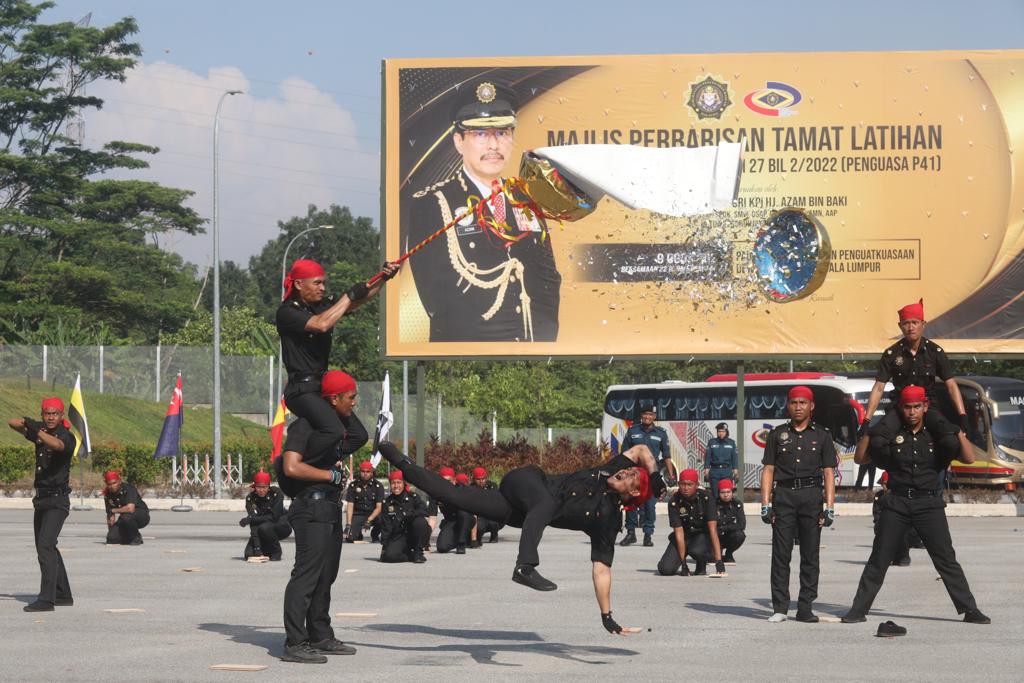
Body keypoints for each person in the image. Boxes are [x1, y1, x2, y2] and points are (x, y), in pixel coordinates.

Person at [378, 440, 666, 634]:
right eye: (629, 468)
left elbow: (602, 568)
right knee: (548, 504)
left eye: (633, 476)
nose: (626, 470)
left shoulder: (609, 521)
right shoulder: (613, 468)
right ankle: (524, 566)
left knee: (456, 495)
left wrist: (607, 618)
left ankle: (402, 463)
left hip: (519, 510)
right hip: (528, 481)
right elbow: (641, 449)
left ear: (635, 492)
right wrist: (654, 475)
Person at [407, 79, 561, 342]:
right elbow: (436, 295)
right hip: (468, 356)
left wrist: (539, 347)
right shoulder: (434, 202)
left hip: (529, 352)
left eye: (502, 133)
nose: (493, 146)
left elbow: (548, 282)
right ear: (458, 141)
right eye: (480, 134)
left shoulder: (526, 200)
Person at [842, 386, 990, 625]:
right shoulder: (891, 433)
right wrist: (869, 432)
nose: (912, 412)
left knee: (945, 559)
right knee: (879, 557)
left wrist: (958, 432)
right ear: (901, 408)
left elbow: (969, 457)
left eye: (916, 407)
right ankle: (858, 610)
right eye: (908, 407)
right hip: (897, 502)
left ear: (925, 407)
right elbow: (861, 458)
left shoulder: (936, 434)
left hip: (928, 503)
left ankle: (969, 609)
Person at [276, 257, 398, 483]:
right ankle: (295, 465)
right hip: (301, 390)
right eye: (317, 283)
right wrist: (347, 296)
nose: (322, 288)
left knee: (358, 435)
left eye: (324, 283)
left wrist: (384, 278)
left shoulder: (320, 305)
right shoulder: (287, 312)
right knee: (333, 430)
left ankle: (318, 463)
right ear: (299, 285)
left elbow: (356, 302)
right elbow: (322, 324)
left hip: (319, 387)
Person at [277, 370, 366, 664]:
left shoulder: (332, 429)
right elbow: (291, 467)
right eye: (350, 397)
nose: (355, 402)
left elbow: (360, 436)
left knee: (326, 575)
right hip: (310, 507)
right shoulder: (304, 426)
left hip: (328, 507)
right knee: (306, 575)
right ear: (334, 399)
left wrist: (334, 408)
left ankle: (320, 634)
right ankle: (295, 641)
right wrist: (329, 474)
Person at [760, 385, 837, 624]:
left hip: (811, 497)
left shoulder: (822, 435)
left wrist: (830, 506)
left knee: (810, 554)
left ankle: (805, 607)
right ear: (788, 405)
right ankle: (780, 607)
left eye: (803, 403)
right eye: (794, 403)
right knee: (781, 555)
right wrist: (765, 504)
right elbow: (769, 470)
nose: (798, 407)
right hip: (784, 497)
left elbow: (828, 473)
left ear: (811, 406)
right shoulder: (777, 434)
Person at [857, 299, 968, 462]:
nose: (910, 327)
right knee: (878, 441)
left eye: (914, 323)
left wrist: (962, 415)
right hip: (901, 407)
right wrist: (867, 420)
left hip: (928, 406)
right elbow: (879, 387)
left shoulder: (935, 351)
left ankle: (937, 469)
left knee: (950, 441)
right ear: (900, 326)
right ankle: (894, 469)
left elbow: (951, 385)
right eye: (906, 323)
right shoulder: (891, 353)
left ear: (923, 324)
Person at [9, 398, 76, 612]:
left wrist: (37, 431)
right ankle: (63, 594)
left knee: (46, 546)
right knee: (45, 545)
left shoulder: (67, 436)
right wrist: (28, 424)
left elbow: (57, 445)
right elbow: (12, 424)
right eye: (46, 413)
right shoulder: (40, 431)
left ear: (61, 415)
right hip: (42, 499)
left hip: (57, 500)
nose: (50, 417)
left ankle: (47, 600)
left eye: (54, 413)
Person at [619, 406, 676, 548]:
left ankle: (648, 535)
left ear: (654, 416)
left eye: (650, 414)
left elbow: (667, 456)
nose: (647, 417)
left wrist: (671, 474)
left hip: (652, 474)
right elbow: (624, 453)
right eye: (645, 414)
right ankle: (630, 533)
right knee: (631, 503)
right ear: (641, 415)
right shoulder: (633, 431)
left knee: (650, 505)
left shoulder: (661, 433)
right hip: (634, 473)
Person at [656, 469, 726, 577]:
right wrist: (684, 564)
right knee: (666, 570)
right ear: (678, 484)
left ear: (696, 485)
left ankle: (701, 564)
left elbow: (713, 530)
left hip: (702, 537)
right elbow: (679, 533)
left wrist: (719, 561)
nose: (685, 488)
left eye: (689, 484)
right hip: (683, 537)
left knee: (696, 550)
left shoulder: (706, 498)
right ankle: (673, 561)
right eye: (682, 484)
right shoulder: (674, 502)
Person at [379, 471, 431, 563]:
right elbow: (385, 525)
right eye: (393, 483)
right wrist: (385, 546)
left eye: (399, 482)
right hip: (399, 536)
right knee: (389, 557)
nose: (396, 486)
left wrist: (409, 514)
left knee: (420, 521)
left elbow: (425, 511)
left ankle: (418, 552)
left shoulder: (413, 497)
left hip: (414, 534)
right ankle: (410, 555)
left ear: (404, 483)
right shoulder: (387, 502)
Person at [240, 470, 291, 561]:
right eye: (259, 487)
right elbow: (254, 524)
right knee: (249, 554)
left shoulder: (276, 494)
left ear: (269, 487)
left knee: (265, 528)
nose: (262, 490)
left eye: (265, 487)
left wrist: (251, 519)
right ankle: (266, 550)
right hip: (261, 528)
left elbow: (273, 517)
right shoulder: (250, 499)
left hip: (281, 525)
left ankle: (276, 551)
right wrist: (257, 549)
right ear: (254, 487)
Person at [432, 466, 474, 555]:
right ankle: (460, 537)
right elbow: (432, 518)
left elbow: (473, 514)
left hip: (466, 520)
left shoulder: (463, 490)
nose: (446, 484)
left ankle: (461, 543)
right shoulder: (435, 494)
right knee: (442, 547)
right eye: (443, 481)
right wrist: (425, 543)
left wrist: (474, 539)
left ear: (454, 480)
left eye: (449, 481)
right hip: (450, 521)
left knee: (464, 513)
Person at [103, 471, 151, 546]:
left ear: (119, 481)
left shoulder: (128, 489)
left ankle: (136, 537)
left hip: (141, 515)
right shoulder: (108, 494)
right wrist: (111, 531)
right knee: (111, 539)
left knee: (126, 516)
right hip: (125, 518)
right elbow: (110, 515)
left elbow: (130, 509)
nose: (112, 486)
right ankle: (128, 536)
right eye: (109, 484)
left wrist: (113, 510)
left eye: (114, 483)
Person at [343, 461, 384, 543]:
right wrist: (348, 525)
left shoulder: (378, 486)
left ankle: (375, 534)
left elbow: (379, 507)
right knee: (350, 538)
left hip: (374, 514)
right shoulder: (353, 486)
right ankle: (358, 535)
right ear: (360, 472)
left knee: (383, 518)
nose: (365, 474)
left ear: (372, 473)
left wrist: (369, 520)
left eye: (368, 471)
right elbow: (350, 505)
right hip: (359, 514)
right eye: (363, 471)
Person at [715, 479, 746, 565]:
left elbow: (742, 525)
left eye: (728, 492)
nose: (726, 495)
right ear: (718, 493)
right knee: (713, 559)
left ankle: (729, 554)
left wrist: (724, 528)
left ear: (732, 492)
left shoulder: (737, 504)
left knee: (739, 535)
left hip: (728, 535)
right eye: (722, 492)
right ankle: (717, 553)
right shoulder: (713, 504)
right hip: (715, 537)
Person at [471, 466, 504, 545]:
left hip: (491, 514)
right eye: (478, 479)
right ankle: (478, 537)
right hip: (480, 516)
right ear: (474, 479)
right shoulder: (470, 488)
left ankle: (494, 533)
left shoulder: (492, 486)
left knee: (496, 521)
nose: (481, 481)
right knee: (478, 526)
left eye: (483, 479)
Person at [704, 422, 739, 493]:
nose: (721, 433)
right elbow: (707, 457)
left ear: (726, 432)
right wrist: (706, 469)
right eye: (719, 431)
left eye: (723, 431)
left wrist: (735, 471)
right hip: (714, 471)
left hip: (727, 471)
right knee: (715, 494)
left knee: (726, 493)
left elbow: (734, 457)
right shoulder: (712, 442)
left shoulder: (731, 443)